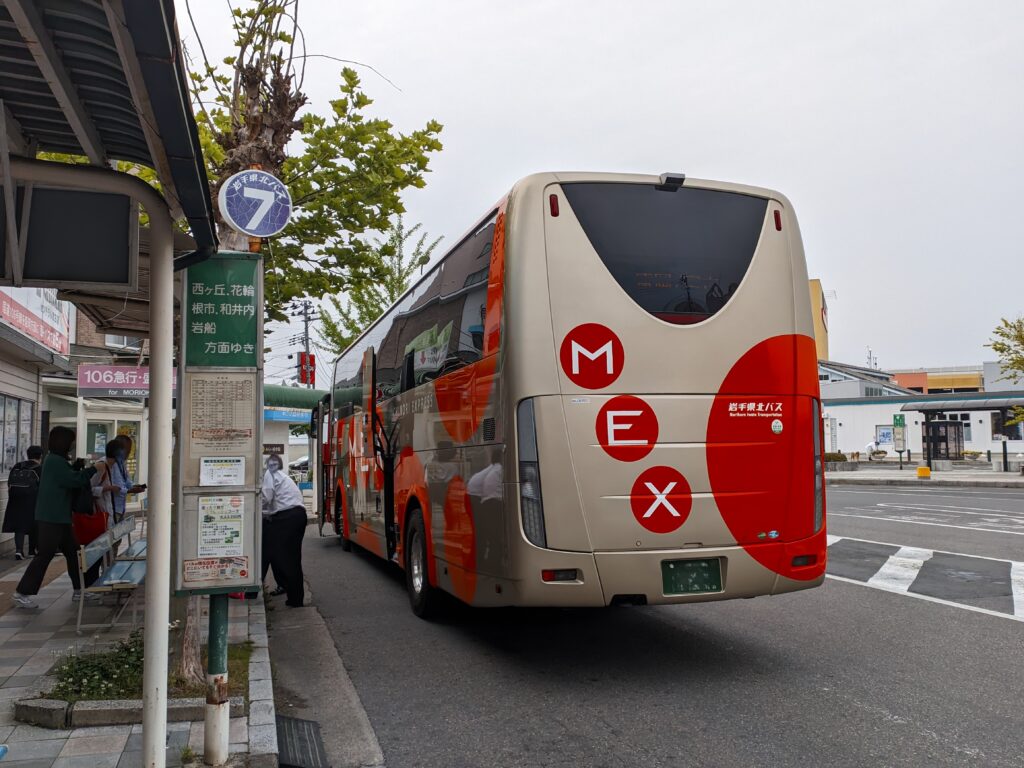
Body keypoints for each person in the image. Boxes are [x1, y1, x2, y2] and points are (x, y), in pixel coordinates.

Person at [13, 427, 100, 609]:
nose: (72, 445)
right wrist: (93, 470)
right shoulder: (54, 461)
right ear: (64, 442)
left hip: (59, 517)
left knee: (73, 552)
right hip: (51, 517)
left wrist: (76, 467)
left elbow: (69, 477)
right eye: (71, 441)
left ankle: (79, 590)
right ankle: (22, 592)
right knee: (45, 554)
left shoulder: (56, 460)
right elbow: (73, 481)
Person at [261, 454, 306, 607]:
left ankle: (293, 597)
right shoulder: (280, 475)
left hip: (287, 517)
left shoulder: (269, 475)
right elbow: (272, 505)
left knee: (282, 557)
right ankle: (295, 597)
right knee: (292, 558)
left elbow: (266, 498)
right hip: (297, 515)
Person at [2, 446, 42, 559]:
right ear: (40, 456)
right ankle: (31, 551)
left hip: (15, 500)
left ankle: (19, 550)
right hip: (32, 500)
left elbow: (10, 482)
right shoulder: (39, 468)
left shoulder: (18, 466)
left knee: (19, 526)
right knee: (34, 524)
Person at [110, 435, 145, 524]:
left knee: (118, 535)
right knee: (111, 535)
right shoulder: (110, 464)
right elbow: (117, 487)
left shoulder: (121, 464)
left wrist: (135, 487)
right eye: (127, 450)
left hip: (120, 508)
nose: (129, 453)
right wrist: (130, 490)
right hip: (111, 509)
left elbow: (127, 482)